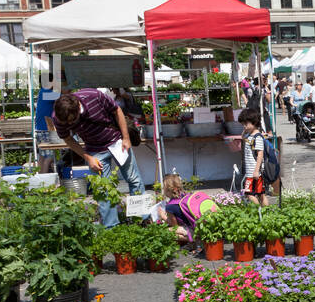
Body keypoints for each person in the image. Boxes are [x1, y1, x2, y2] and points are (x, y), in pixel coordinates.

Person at [52, 87, 144, 229]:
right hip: (94, 150)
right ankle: (111, 228)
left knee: (134, 179)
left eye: (72, 120)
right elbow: (68, 139)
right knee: (103, 189)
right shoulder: (59, 117)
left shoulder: (93, 96)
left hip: (117, 142)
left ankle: (141, 220)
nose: (69, 124)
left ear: (78, 107)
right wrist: (87, 158)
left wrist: (126, 138)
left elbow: (117, 111)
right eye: (67, 123)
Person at [160, 173, 220, 242]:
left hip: (195, 231)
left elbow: (175, 227)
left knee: (166, 232)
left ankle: (196, 240)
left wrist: (163, 216)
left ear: (167, 190)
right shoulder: (186, 195)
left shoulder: (170, 206)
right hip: (203, 226)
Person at [238, 107, 270, 207]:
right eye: (243, 124)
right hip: (251, 171)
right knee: (261, 194)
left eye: (246, 124)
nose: (244, 126)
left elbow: (260, 154)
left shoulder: (257, 137)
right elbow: (242, 138)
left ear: (254, 122)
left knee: (249, 194)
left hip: (254, 172)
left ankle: (259, 211)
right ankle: (266, 213)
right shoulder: (249, 135)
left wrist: (256, 171)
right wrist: (245, 130)